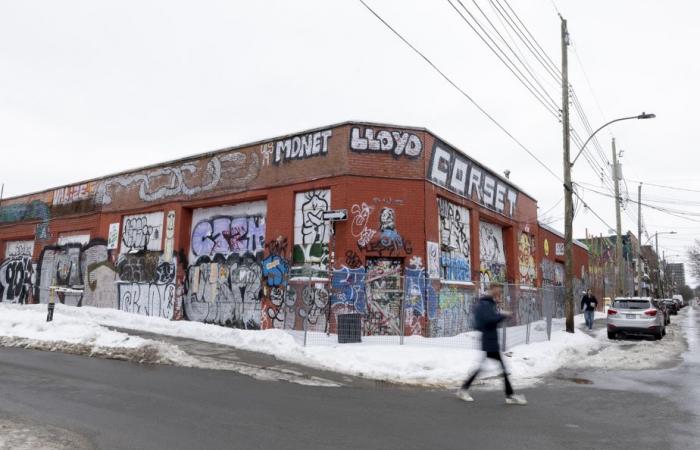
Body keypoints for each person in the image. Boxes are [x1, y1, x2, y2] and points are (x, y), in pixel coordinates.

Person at [456, 284, 527, 405]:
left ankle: (509, 395)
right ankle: (509, 395)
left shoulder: (490, 303)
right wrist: (502, 315)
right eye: (497, 291)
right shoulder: (485, 304)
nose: (499, 293)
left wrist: (501, 315)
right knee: (497, 369)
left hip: (491, 340)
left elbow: (491, 319)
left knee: (495, 368)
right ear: (492, 289)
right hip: (489, 341)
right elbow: (488, 320)